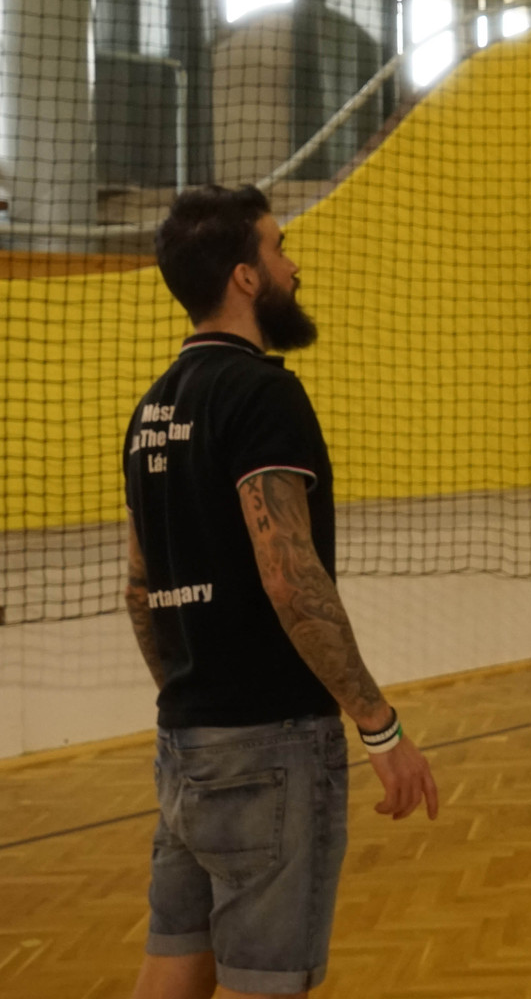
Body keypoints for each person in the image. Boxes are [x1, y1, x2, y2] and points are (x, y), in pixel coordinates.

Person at [122, 184, 438, 999]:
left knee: (172, 966)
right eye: (279, 248)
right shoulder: (263, 393)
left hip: (184, 742)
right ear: (245, 276)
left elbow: (139, 590)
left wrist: (193, 702)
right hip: (271, 746)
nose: (292, 266)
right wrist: (380, 727)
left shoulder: (149, 412)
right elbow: (289, 575)